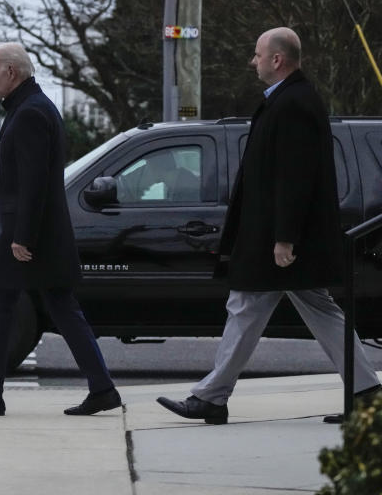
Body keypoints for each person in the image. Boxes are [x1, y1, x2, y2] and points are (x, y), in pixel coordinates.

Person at [157, 27, 381, 425]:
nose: (252, 61)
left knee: (247, 307)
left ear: (277, 60)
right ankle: (367, 394)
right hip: (283, 237)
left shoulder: (293, 104)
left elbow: (294, 177)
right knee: (312, 310)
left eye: (257, 54)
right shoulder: (290, 100)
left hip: (277, 240)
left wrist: (284, 238)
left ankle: (211, 397)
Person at [0, 43, 120, 417]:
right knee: (53, 307)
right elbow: (22, 183)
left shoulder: (29, 113)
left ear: (12, 71)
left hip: (29, 238)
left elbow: (34, 182)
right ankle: (100, 387)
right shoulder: (33, 108)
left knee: (3, 305)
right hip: (32, 232)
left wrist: (21, 236)